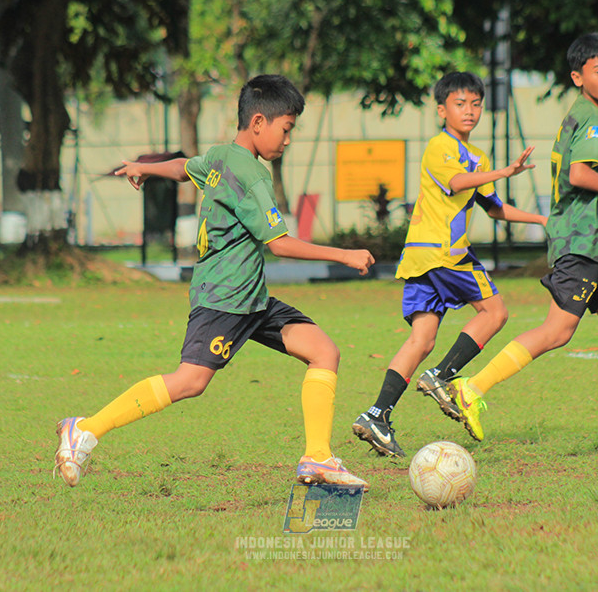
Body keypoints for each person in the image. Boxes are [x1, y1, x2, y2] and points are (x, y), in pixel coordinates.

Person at [54, 74, 375, 489]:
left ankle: (317, 458)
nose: (287, 140)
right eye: (286, 129)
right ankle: (85, 429)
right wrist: (344, 254)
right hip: (225, 298)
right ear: (258, 122)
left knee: (324, 352)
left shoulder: (221, 156)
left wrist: (144, 169)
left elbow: (186, 169)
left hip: (251, 299)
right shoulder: (253, 177)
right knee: (190, 381)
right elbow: (279, 244)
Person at [447, 33, 598, 454]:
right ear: (578, 77)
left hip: (594, 242)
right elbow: (579, 175)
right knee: (558, 331)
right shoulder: (592, 119)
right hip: (579, 241)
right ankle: (472, 387)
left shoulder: (589, 115)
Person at [351, 71, 547, 458]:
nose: (470, 111)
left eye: (476, 103)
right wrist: (505, 172)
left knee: (421, 339)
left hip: (422, 257)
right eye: (460, 104)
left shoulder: (479, 157)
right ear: (442, 110)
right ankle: (442, 376)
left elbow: (494, 208)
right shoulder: (440, 146)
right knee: (495, 312)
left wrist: (543, 221)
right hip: (444, 253)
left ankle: (377, 415)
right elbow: (458, 182)